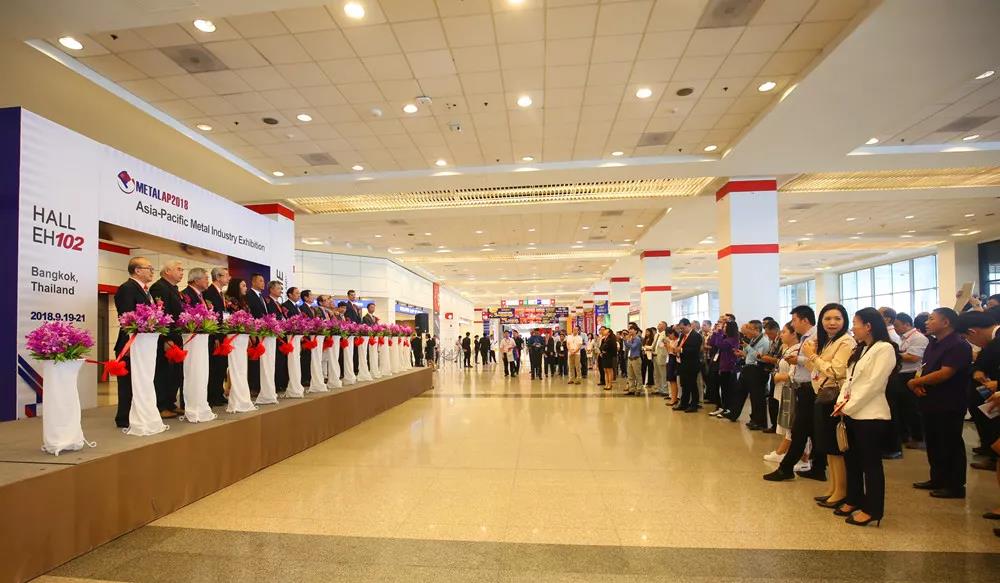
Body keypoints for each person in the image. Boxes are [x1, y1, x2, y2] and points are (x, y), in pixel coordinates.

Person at [834, 307, 899, 527]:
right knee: (852, 460)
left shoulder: (884, 349)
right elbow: (849, 380)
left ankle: (873, 509)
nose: (853, 328)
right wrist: (841, 402)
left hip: (871, 415)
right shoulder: (861, 348)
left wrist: (849, 406)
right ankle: (854, 499)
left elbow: (874, 384)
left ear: (868, 326)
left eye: (856, 323)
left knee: (870, 464)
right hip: (851, 411)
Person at [908, 307, 973, 499]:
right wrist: (918, 383)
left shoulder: (958, 344)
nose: (926, 322)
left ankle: (955, 485)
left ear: (946, 322)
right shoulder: (933, 343)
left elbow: (946, 373)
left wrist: (915, 382)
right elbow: (925, 368)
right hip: (930, 400)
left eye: (931, 319)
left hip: (949, 402)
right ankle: (937, 478)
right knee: (934, 442)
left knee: (950, 443)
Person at [804, 303, 855, 507]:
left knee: (835, 447)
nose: (832, 323)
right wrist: (812, 353)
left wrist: (813, 355)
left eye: (837, 318)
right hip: (822, 395)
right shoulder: (829, 341)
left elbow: (836, 371)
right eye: (827, 319)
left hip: (834, 396)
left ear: (845, 321)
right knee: (827, 446)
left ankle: (841, 491)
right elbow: (815, 369)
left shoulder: (846, 342)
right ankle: (833, 488)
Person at [765, 305, 823, 482]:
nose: (793, 324)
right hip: (803, 387)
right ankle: (818, 467)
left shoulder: (815, 337)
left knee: (799, 430)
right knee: (809, 430)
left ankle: (787, 468)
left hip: (810, 387)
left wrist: (798, 360)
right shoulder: (806, 337)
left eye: (795, 320)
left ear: (805, 320)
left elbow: (818, 360)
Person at [113, 257, 155, 428]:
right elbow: (126, 317)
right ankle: (124, 417)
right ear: (137, 270)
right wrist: (129, 344)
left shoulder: (145, 290)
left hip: (143, 344)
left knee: (140, 381)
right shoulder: (127, 288)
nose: (152, 271)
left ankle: (140, 413)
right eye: (149, 268)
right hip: (130, 343)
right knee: (127, 383)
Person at [964, 310, 1000, 472]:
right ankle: (991, 452)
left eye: (967, 338)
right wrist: (977, 370)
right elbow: (980, 362)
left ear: (972, 332)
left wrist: (998, 383)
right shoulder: (992, 341)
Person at [149, 260, 185, 418]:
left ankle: (170, 402)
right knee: (164, 372)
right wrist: (166, 339)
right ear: (167, 271)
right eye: (179, 269)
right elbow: (161, 314)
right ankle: (161, 405)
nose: (182, 272)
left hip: (177, 336)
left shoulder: (174, 288)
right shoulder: (159, 287)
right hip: (166, 338)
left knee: (175, 373)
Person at [763, 322, 802, 464]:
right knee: (787, 424)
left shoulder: (797, 350)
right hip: (783, 389)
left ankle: (786, 452)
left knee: (791, 424)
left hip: (790, 389)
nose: (781, 335)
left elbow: (794, 374)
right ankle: (784, 451)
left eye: (784, 332)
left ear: (794, 334)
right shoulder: (787, 348)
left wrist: (778, 377)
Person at [893, 312, 929, 451]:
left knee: (913, 408)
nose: (895, 328)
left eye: (897, 325)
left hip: (912, 375)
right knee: (902, 408)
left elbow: (913, 357)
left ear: (907, 324)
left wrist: (894, 354)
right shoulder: (903, 338)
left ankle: (918, 437)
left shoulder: (918, 338)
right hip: (901, 375)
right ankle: (906, 435)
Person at [728, 320, 771, 429]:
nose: (747, 331)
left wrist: (747, 347)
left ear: (757, 329)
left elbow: (759, 356)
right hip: (748, 368)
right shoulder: (753, 339)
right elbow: (751, 355)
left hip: (757, 370)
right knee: (739, 391)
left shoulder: (764, 341)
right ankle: (734, 413)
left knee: (757, 397)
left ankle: (759, 421)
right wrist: (742, 354)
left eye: (749, 328)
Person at [203, 267, 229, 407]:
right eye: (226, 275)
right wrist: (216, 337)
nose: (228, 278)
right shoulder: (209, 292)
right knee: (214, 367)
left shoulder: (221, 293)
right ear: (218, 277)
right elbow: (211, 317)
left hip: (223, 334)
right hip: (215, 336)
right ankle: (212, 396)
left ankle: (219, 393)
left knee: (221, 366)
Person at [708, 320, 739, 418]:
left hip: (728, 367)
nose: (723, 328)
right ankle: (722, 407)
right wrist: (715, 333)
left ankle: (727, 408)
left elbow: (720, 345)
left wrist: (719, 333)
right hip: (721, 365)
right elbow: (712, 343)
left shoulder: (732, 339)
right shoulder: (725, 337)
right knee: (721, 388)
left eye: (725, 327)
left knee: (727, 389)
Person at [758, 320, 784, 433]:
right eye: (767, 334)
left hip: (780, 374)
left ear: (776, 330)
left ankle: (777, 426)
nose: (768, 336)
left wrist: (769, 359)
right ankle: (774, 425)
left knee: (776, 401)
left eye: (770, 333)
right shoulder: (774, 342)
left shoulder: (781, 342)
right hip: (773, 373)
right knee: (773, 400)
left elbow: (780, 359)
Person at [673, 318, 704, 412]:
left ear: (688, 326)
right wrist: (676, 350)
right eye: (680, 328)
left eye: (682, 328)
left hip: (692, 364)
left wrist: (681, 350)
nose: (681, 330)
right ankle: (684, 403)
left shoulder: (696, 336)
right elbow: (680, 345)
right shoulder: (682, 335)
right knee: (684, 385)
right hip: (683, 364)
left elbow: (695, 350)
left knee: (692, 385)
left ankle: (694, 405)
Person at [624, 324, 643, 394]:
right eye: (629, 329)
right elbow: (627, 346)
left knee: (637, 375)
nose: (630, 331)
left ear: (636, 331)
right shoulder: (631, 338)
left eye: (632, 329)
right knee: (630, 375)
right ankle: (631, 389)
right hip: (630, 358)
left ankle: (639, 389)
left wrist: (627, 340)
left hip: (636, 359)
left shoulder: (637, 339)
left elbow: (633, 347)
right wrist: (625, 340)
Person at [598, 326, 618, 391]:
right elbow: (601, 347)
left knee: (609, 370)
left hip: (609, 356)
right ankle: (606, 384)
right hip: (604, 356)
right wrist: (602, 350)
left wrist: (604, 350)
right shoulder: (603, 339)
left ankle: (610, 384)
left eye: (606, 330)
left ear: (609, 333)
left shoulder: (611, 339)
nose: (604, 331)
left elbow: (612, 348)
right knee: (605, 370)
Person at [653, 322, 670, 396]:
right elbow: (654, 345)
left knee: (663, 374)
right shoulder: (656, 335)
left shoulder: (665, 334)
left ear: (664, 326)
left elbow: (667, 344)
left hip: (662, 356)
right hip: (655, 355)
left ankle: (665, 390)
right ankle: (658, 388)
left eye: (660, 324)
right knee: (656, 374)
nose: (658, 325)